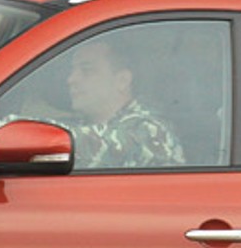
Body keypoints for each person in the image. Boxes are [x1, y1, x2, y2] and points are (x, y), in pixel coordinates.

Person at [60, 38, 186, 170]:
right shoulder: (82, 122)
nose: (71, 79)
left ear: (122, 80)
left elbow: (97, 144)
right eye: (72, 71)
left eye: (87, 70)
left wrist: (46, 137)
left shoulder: (148, 129)